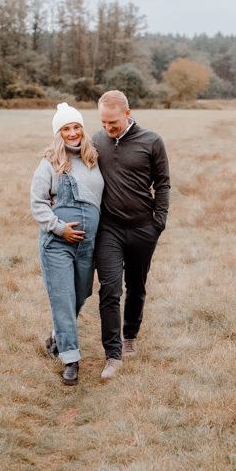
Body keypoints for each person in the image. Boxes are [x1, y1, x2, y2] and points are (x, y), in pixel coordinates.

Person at [92, 90, 170, 380]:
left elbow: (163, 185)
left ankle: (130, 337)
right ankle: (113, 355)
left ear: (127, 114)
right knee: (109, 290)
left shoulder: (152, 141)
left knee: (136, 286)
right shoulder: (97, 139)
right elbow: (76, 171)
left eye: (112, 122)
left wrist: (157, 223)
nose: (107, 128)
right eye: (103, 122)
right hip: (108, 229)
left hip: (142, 229)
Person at [30, 102, 104, 386]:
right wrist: (61, 229)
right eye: (65, 129)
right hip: (57, 243)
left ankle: (56, 336)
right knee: (62, 298)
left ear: (83, 129)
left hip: (88, 245)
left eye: (76, 127)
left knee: (80, 295)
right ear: (57, 132)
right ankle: (70, 360)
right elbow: (38, 204)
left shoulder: (93, 159)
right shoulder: (49, 162)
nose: (72, 133)